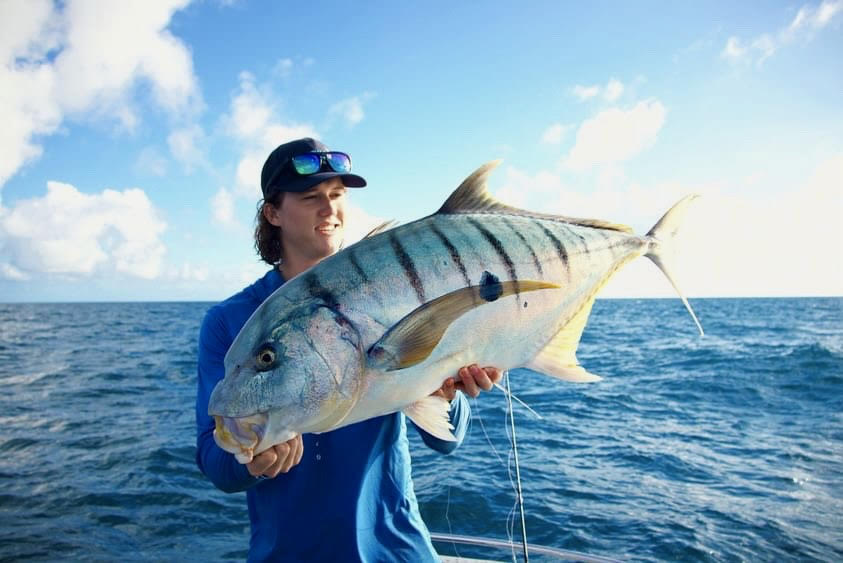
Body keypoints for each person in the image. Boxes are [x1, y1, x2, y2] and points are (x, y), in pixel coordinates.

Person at [195, 137, 502, 562]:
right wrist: (249, 464)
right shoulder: (230, 322)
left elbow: (448, 442)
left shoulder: (392, 285)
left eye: (337, 195)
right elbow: (214, 458)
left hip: (395, 551)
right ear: (272, 213)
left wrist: (446, 392)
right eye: (310, 197)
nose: (329, 209)